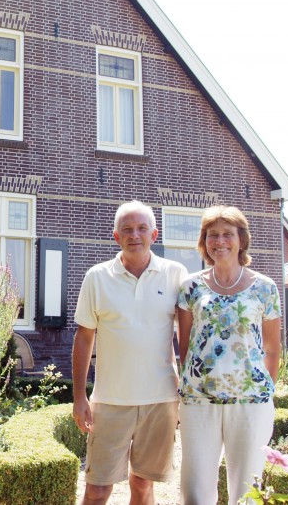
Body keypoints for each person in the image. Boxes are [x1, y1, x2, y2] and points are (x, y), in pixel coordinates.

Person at [72, 200, 189, 505]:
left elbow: (187, 337)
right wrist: (79, 397)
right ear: (116, 236)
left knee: (142, 486)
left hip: (161, 400)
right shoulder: (96, 277)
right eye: (127, 229)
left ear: (154, 234)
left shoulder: (176, 275)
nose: (134, 235)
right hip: (110, 401)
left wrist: (189, 392)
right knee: (97, 489)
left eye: (141, 228)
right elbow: (84, 338)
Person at [176, 206, 282, 505]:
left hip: (251, 402)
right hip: (198, 401)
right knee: (195, 489)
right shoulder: (190, 287)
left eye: (227, 234)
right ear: (204, 241)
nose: (219, 241)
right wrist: (193, 383)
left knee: (247, 490)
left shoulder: (265, 288)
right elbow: (185, 346)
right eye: (212, 235)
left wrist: (262, 389)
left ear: (241, 239)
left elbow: (273, 349)